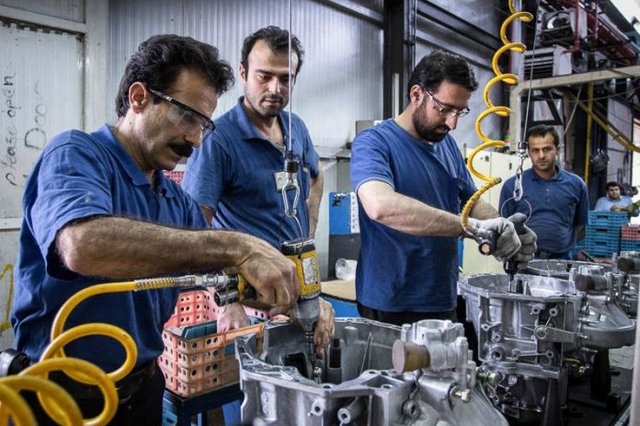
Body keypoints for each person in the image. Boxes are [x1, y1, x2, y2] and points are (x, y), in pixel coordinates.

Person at [10, 34, 313, 425]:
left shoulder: (174, 200)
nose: (196, 139)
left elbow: (226, 271)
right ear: (139, 97)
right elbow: (82, 245)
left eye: (204, 125)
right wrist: (238, 246)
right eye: (187, 117)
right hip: (60, 394)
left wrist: (301, 298)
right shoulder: (76, 154)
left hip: (143, 388)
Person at [181, 27, 331, 425]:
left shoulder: (296, 128)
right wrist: (227, 301)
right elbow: (193, 231)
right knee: (254, 412)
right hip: (252, 305)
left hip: (297, 297)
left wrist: (306, 237)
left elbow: (317, 177)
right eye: (265, 76)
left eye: (286, 78)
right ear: (244, 73)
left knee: (303, 407)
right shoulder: (219, 140)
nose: (275, 88)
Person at [349, 50, 536, 327]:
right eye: (445, 108)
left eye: (459, 111)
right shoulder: (374, 143)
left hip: (442, 297)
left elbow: (470, 201)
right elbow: (381, 206)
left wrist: (501, 226)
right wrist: (474, 229)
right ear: (416, 94)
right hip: (391, 301)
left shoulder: (446, 144)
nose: (453, 123)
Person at [499, 124, 589, 260]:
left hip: (563, 261)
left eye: (547, 149)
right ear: (528, 152)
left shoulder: (577, 185)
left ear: (557, 150)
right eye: (535, 150)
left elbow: (580, 225)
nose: (541, 156)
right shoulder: (513, 186)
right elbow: (505, 227)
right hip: (523, 260)